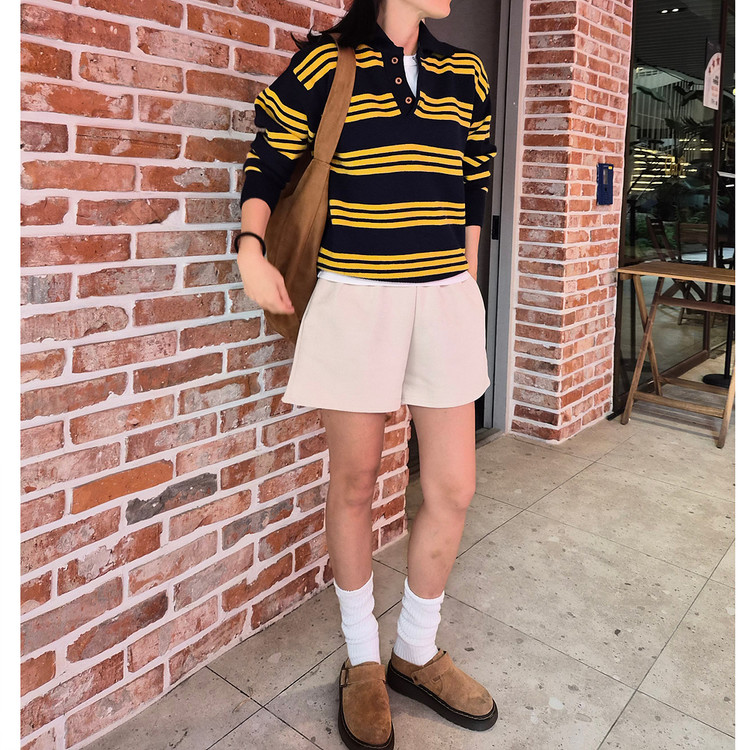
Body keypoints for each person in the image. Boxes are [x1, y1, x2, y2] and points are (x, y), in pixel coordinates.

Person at [234, 0, 499, 747]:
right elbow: (269, 158)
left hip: (442, 295)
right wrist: (250, 249)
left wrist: (465, 280)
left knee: (453, 486)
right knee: (354, 483)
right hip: (356, 294)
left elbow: (474, 182)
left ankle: (415, 649)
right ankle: (362, 662)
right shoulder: (329, 62)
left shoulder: (466, 74)